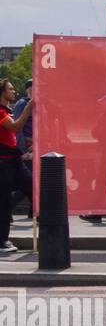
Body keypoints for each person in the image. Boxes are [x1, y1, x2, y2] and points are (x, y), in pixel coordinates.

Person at [0, 80, 34, 253]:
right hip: (4, 163)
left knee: (33, 189)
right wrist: (30, 106)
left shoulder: (7, 110)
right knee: (4, 203)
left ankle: (50, 230)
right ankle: (2, 241)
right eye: (10, 89)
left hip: (15, 160)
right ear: (2, 92)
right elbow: (16, 127)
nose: (14, 91)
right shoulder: (0, 112)